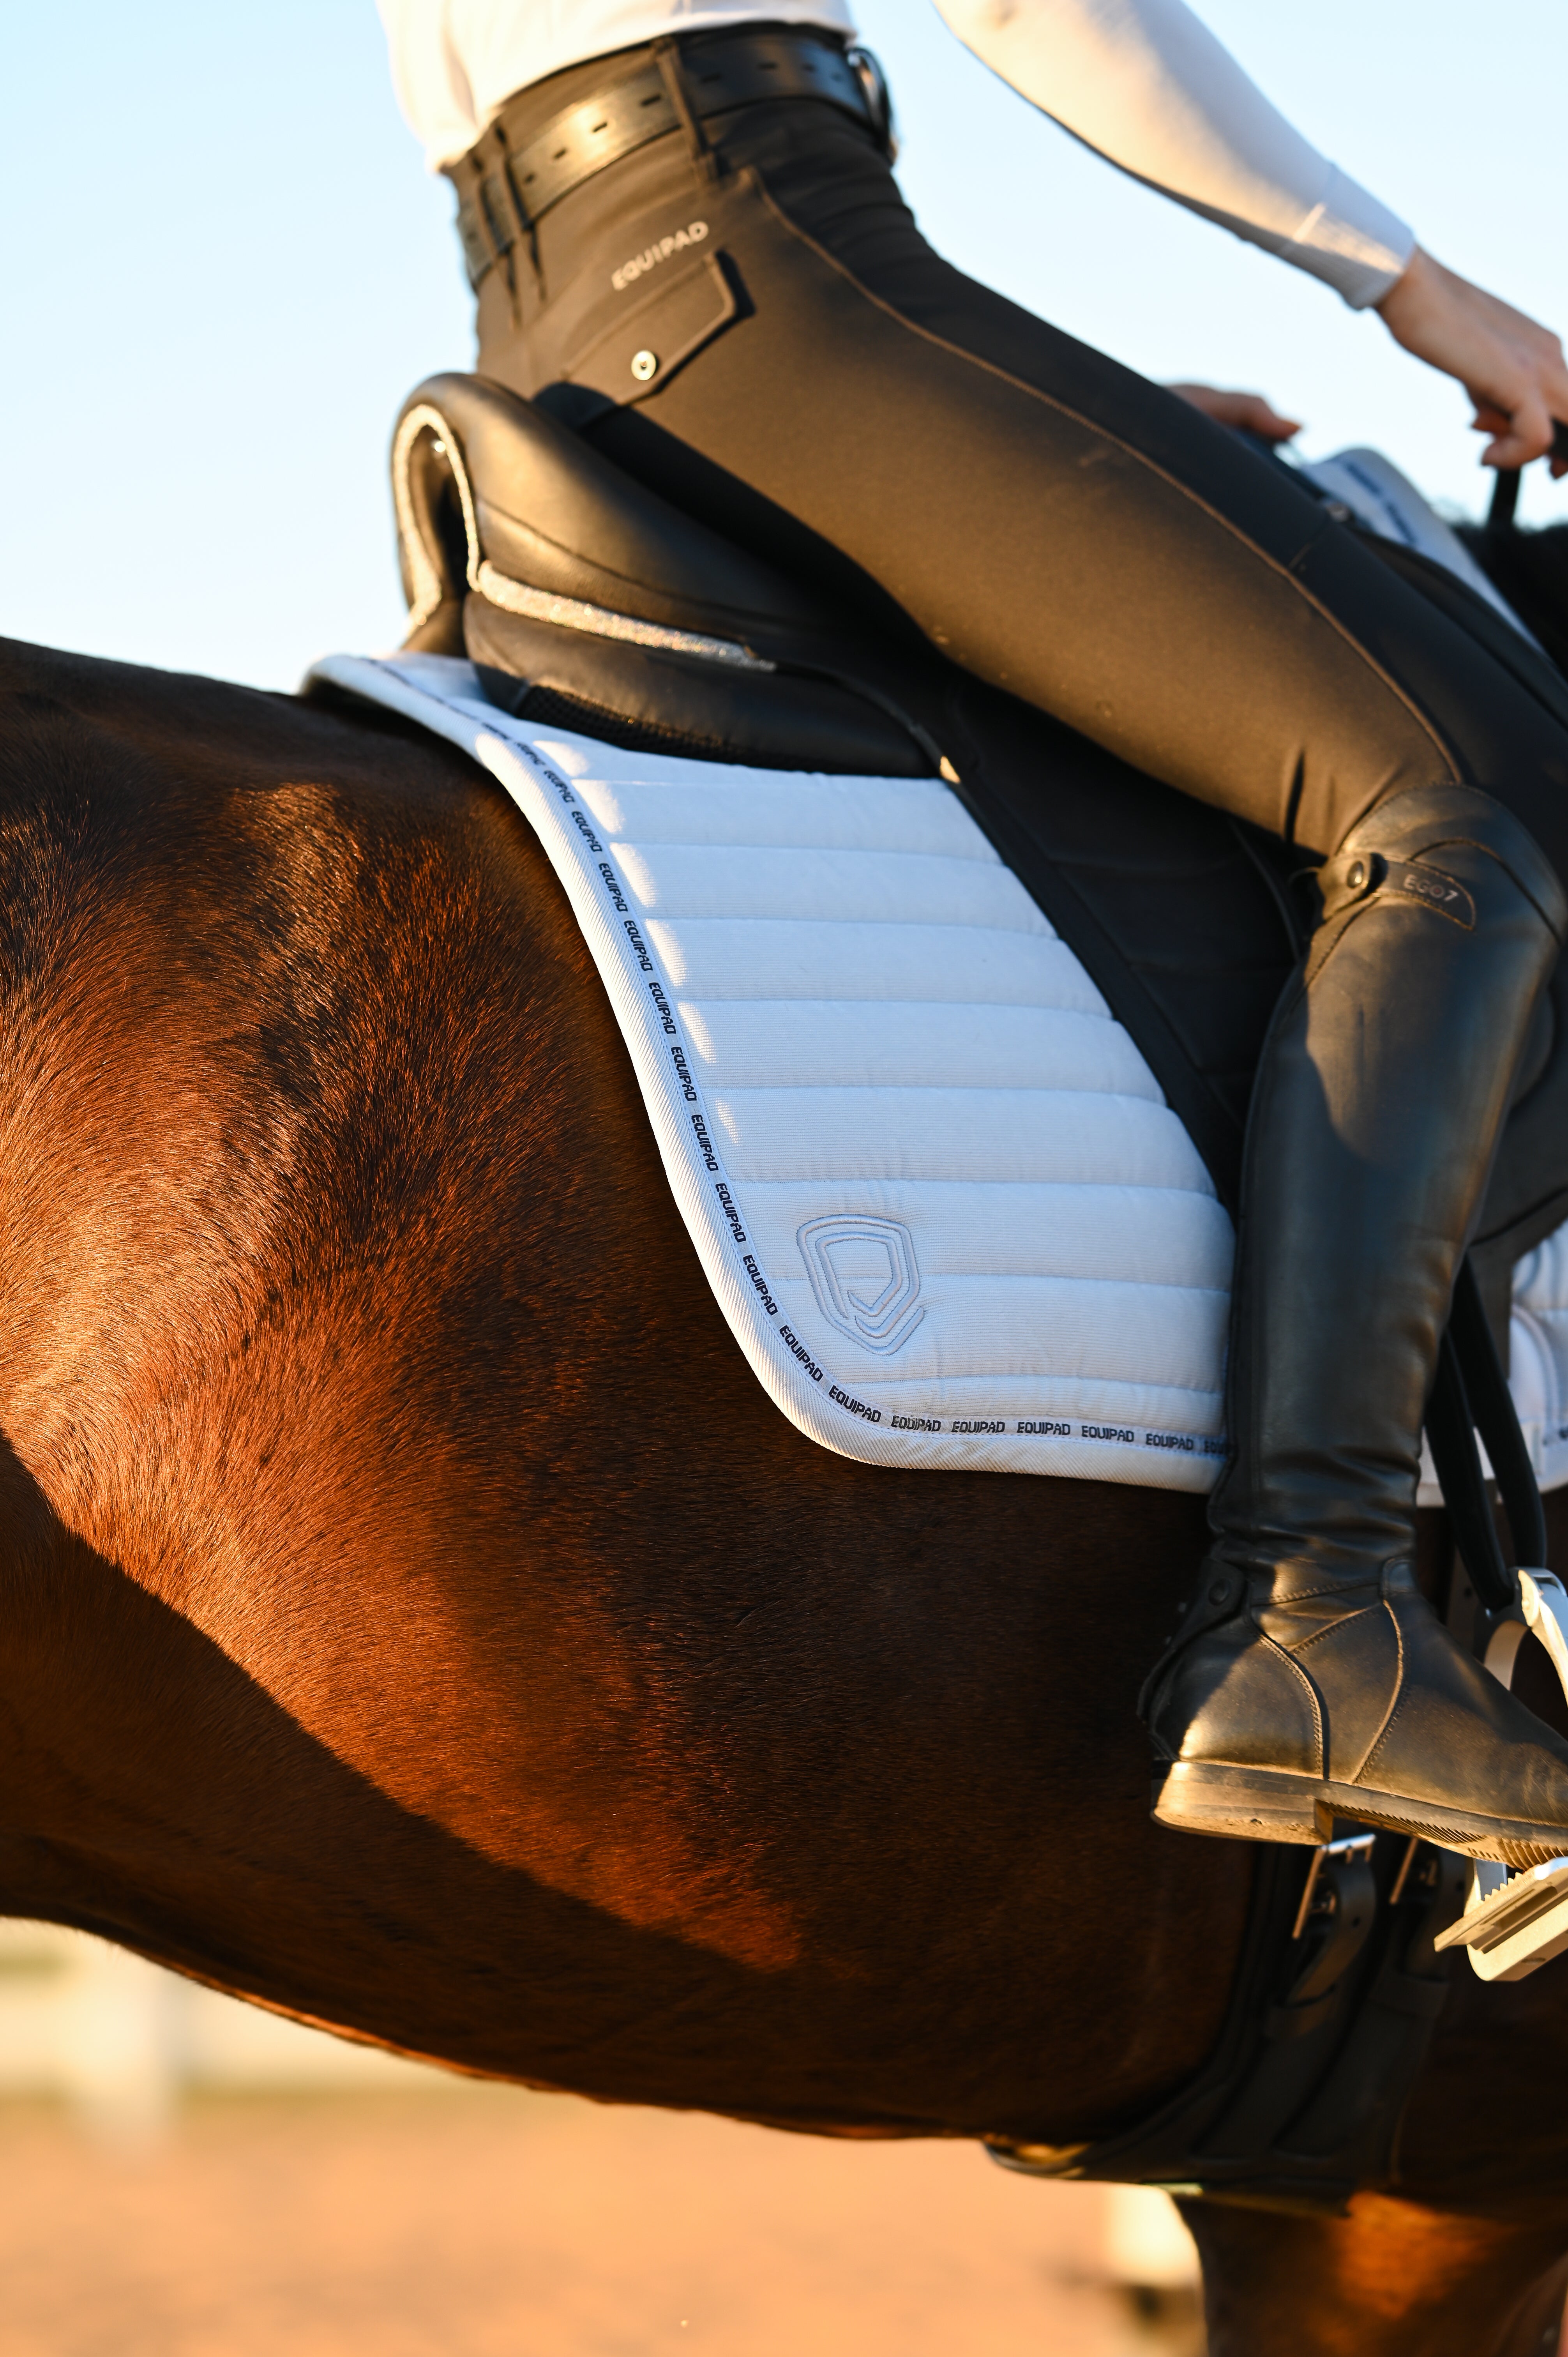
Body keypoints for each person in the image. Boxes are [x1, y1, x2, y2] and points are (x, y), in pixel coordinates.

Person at [378, 0, 1568, 1861]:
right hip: (763, 258)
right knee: (1456, 807)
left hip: (583, 311)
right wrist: (1410, 286)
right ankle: (1318, 1606)